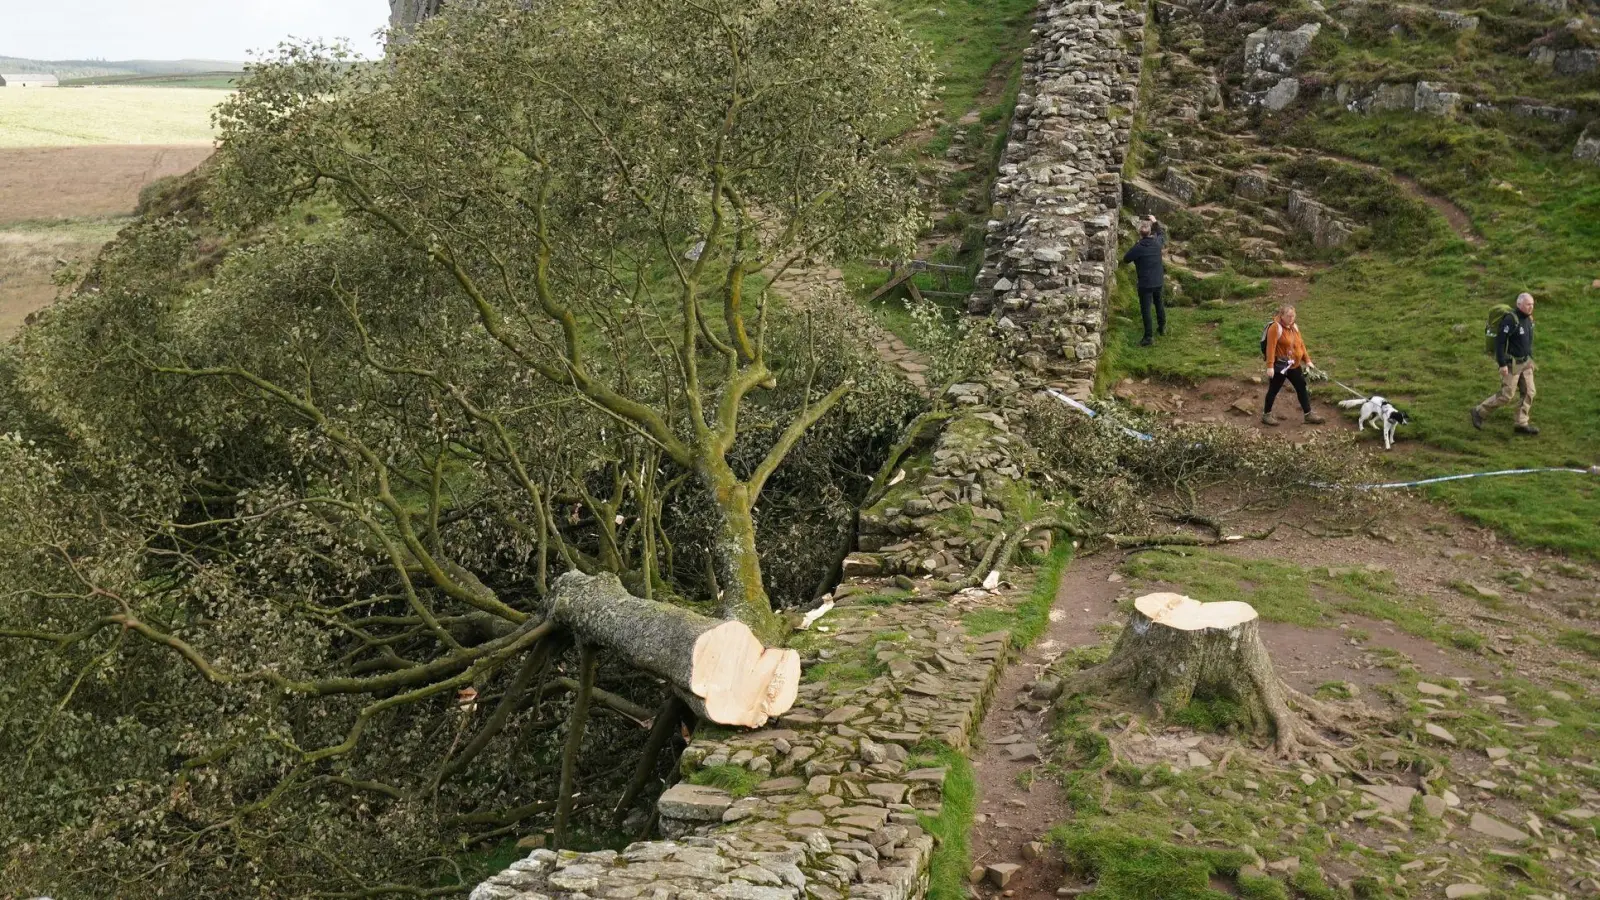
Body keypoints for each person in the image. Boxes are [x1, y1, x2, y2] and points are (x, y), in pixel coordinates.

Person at [1472, 292, 1538, 435]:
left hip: (1525, 362)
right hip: (1511, 363)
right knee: (1506, 395)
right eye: (1528, 304)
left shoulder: (1528, 319)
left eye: (1532, 304)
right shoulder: (1510, 320)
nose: (1531, 307)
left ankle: (1521, 423)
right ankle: (1479, 411)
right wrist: (1502, 364)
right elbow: (1500, 342)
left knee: (1529, 392)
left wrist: (1530, 360)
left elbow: (1528, 341)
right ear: (1519, 304)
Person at [1262, 304, 1326, 427]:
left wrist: (1307, 360)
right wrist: (1270, 366)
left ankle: (1308, 414)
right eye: (1288, 316)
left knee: (1301, 386)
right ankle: (1266, 415)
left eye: (1293, 316)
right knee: (1274, 389)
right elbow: (1271, 347)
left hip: (1294, 364)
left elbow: (1300, 344)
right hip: (1280, 366)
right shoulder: (1275, 328)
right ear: (1282, 315)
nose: (1291, 318)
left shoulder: (1294, 327)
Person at [1120, 214, 1167, 347]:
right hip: (1158, 281)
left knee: (1146, 310)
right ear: (1150, 232)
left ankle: (1148, 337)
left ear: (1139, 233)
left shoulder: (1138, 247)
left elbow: (1126, 259)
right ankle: (1162, 327)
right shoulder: (1157, 244)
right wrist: (1155, 221)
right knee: (1159, 303)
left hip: (1145, 284)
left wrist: (1136, 247)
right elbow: (1161, 233)